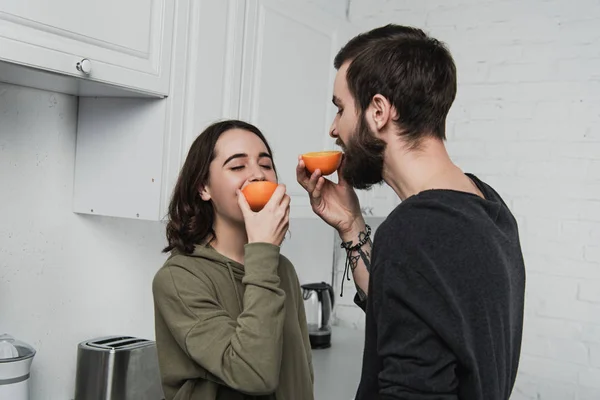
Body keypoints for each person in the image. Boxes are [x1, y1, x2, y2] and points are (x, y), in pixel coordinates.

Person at [297, 24, 525, 399]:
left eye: (340, 109)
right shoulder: (487, 205)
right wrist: (352, 227)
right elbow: (414, 312)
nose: (334, 129)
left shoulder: (413, 232)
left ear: (378, 111)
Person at [153, 120, 314, 400]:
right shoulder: (179, 278)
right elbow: (253, 374)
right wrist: (263, 249)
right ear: (204, 187)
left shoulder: (282, 269)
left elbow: (302, 374)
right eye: (237, 166)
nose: (257, 175)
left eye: (265, 165)